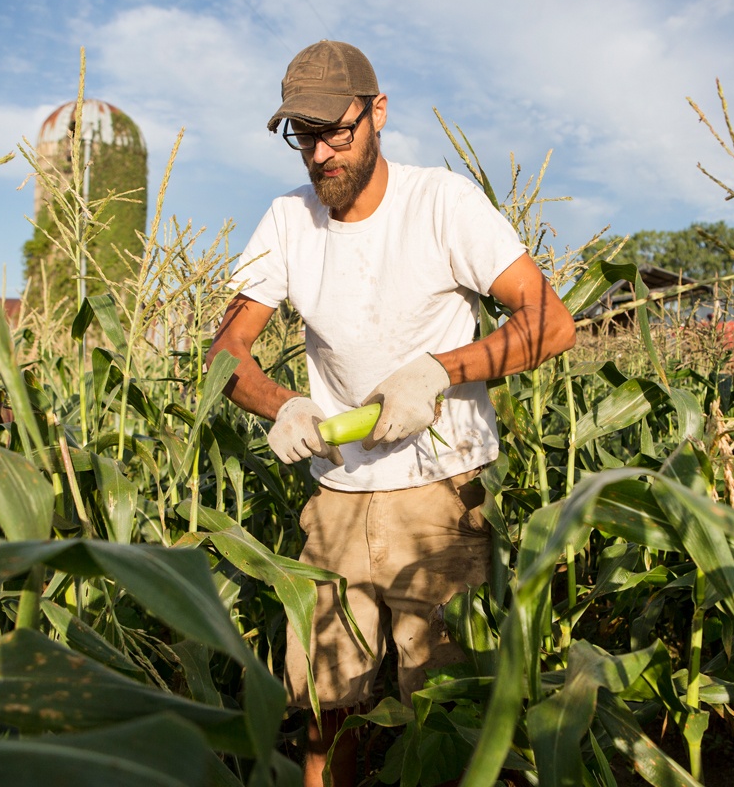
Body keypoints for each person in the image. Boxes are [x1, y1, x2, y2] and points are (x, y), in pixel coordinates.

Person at [206, 39, 576, 786]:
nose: (319, 155)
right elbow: (225, 356)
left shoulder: (441, 203)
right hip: (336, 499)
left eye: (335, 131)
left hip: (440, 500)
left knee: (446, 712)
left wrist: (439, 370)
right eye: (301, 136)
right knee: (322, 704)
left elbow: (551, 323)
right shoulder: (287, 221)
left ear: (377, 113)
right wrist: (284, 405)